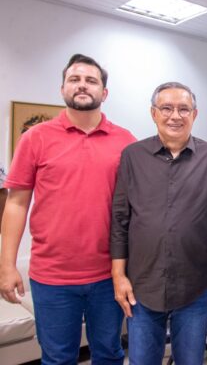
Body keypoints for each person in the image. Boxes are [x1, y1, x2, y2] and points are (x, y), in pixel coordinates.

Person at [0, 54, 135, 364]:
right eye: (74, 79)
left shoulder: (125, 141)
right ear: (62, 89)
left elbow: (137, 207)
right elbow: (16, 204)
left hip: (110, 274)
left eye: (91, 80)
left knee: (110, 354)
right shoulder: (35, 138)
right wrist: (6, 265)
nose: (82, 85)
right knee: (57, 358)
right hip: (52, 277)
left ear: (104, 92)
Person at [111, 82, 207, 365]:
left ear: (195, 114)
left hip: (195, 284)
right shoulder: (132, 156)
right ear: (153, 113)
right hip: (142, 284)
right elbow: (119, 220)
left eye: (183, 109)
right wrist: (118, 275)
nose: (175, 116)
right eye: (166, 108)